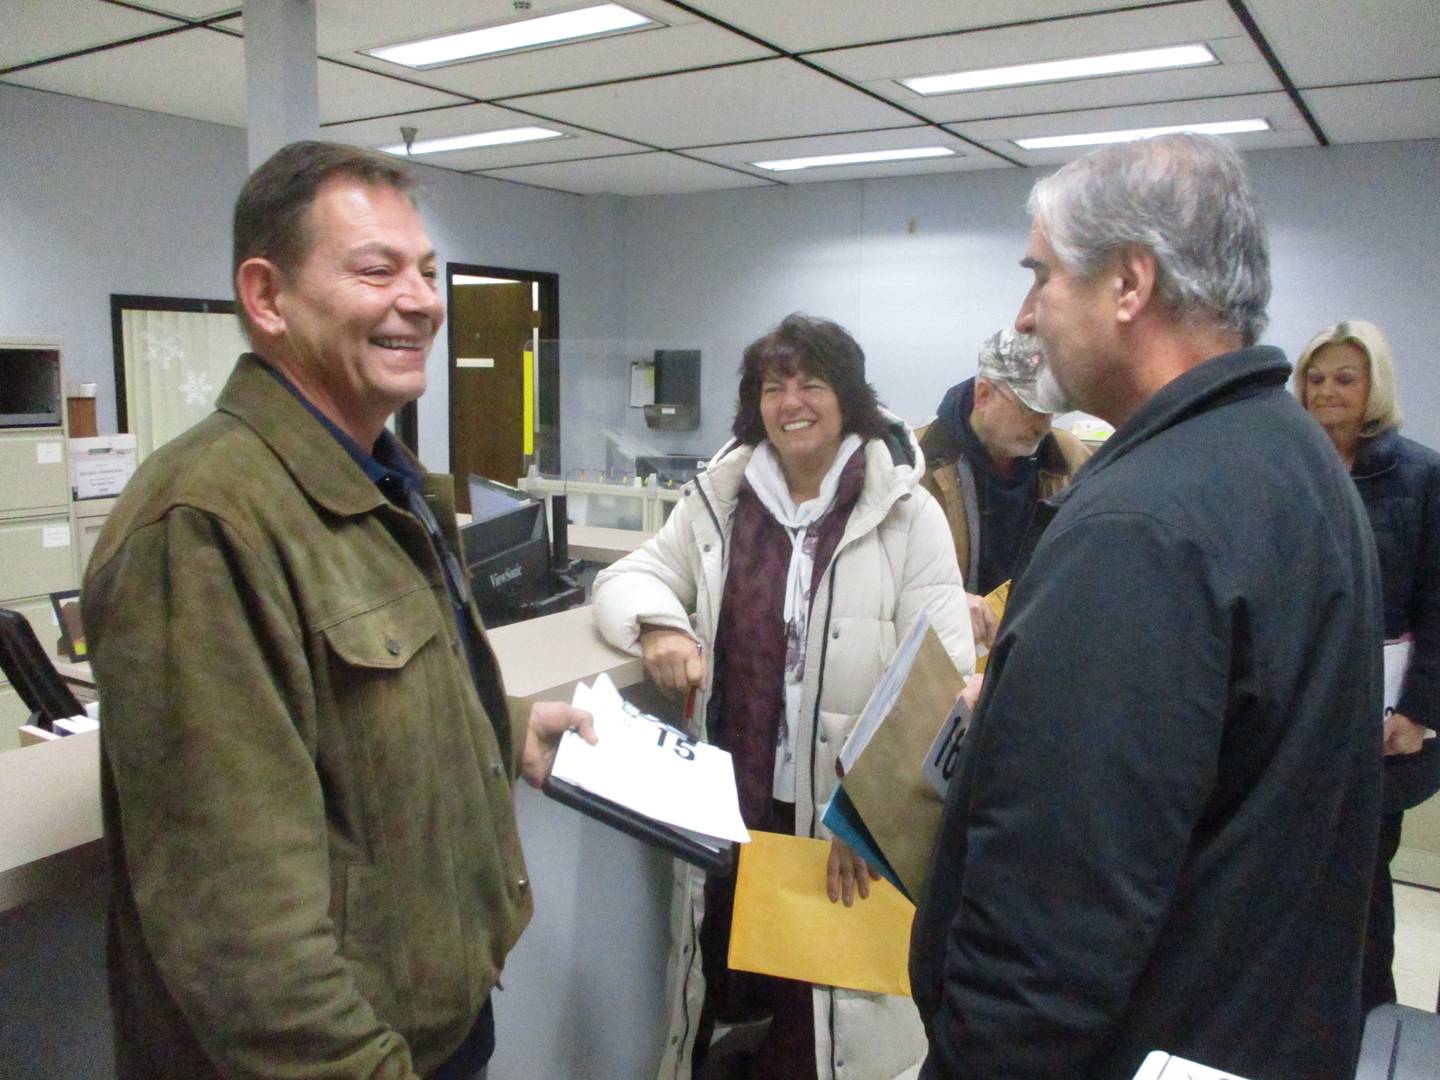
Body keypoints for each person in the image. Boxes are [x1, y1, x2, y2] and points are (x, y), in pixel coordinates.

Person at [82, 141, 592, 1079]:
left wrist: (500, 722)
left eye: (428, 273)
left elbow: (350, 703)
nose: (423, 300)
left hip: (437, 1021)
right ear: (267, 298)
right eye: (376, 270)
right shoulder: (202, 526)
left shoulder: (388, 481)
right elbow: (243, 936)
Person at [909, 133, 1384, 1079]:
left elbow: (1049, 933)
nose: (1027, 314)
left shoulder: (1140, 524)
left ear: (1128, 286)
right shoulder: (1290, 458)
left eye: (1041, 275)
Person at [593, 314, 974, 1080]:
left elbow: (944, 681)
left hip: (846, 815)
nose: (791, 402)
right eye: (774, 387)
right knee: (735, 982)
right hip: (742, 797)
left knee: (839, 1016)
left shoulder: (904, 510)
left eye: (812, 384)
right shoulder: (722, 501)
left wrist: (869, 817)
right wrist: (663, 626)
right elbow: (624, 580)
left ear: (850, 399)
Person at [1294, 318, 1440, 1014]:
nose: (1327, 391)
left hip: (1382, 725)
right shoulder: (1286, 463)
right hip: (1297, 716)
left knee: (1361, 878)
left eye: (1344, 378)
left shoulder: (1421, 475)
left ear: (1373, 386)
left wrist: (1418, 711)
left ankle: (1367, 1018)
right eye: (1315, 378)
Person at [916, 328, 1089, 646]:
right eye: (1030, 408)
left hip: (1036, 651)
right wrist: (947, 600)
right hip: (949, 656)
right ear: (983, 396)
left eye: (1050, 410)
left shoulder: (1072, 459)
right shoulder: (915, 466)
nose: (1044, 425)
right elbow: (886, 584)